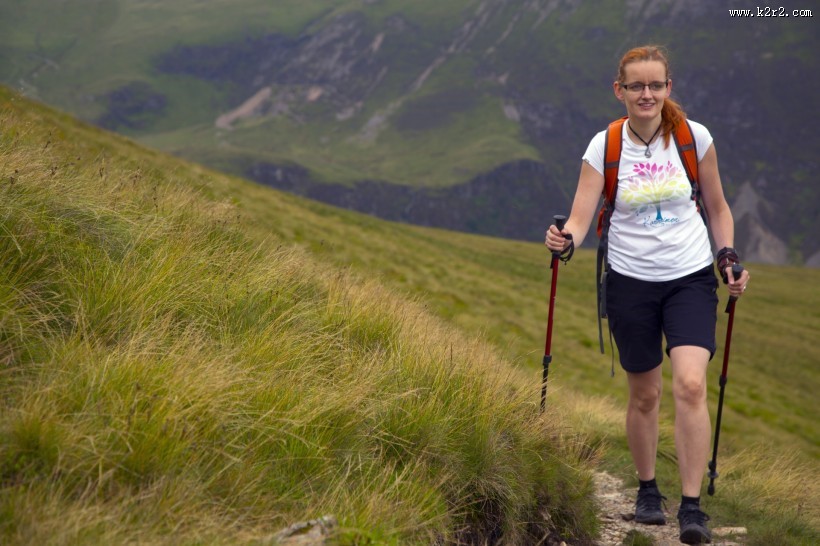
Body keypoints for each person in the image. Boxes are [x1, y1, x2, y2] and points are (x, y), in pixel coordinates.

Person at [545, 45, 750, 545]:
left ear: (668, 88)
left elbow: (718, 208)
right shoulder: (605, 146)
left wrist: (727, 258)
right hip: (629, 280)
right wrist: (566, 239)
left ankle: (692, 506)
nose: (646, 94)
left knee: (691, 386)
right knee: (645, 394)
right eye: (636, 86)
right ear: (619, 91)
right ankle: (646, 491)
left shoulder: (693, 138)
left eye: (655, 85)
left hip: (690, 278)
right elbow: (580, 213)